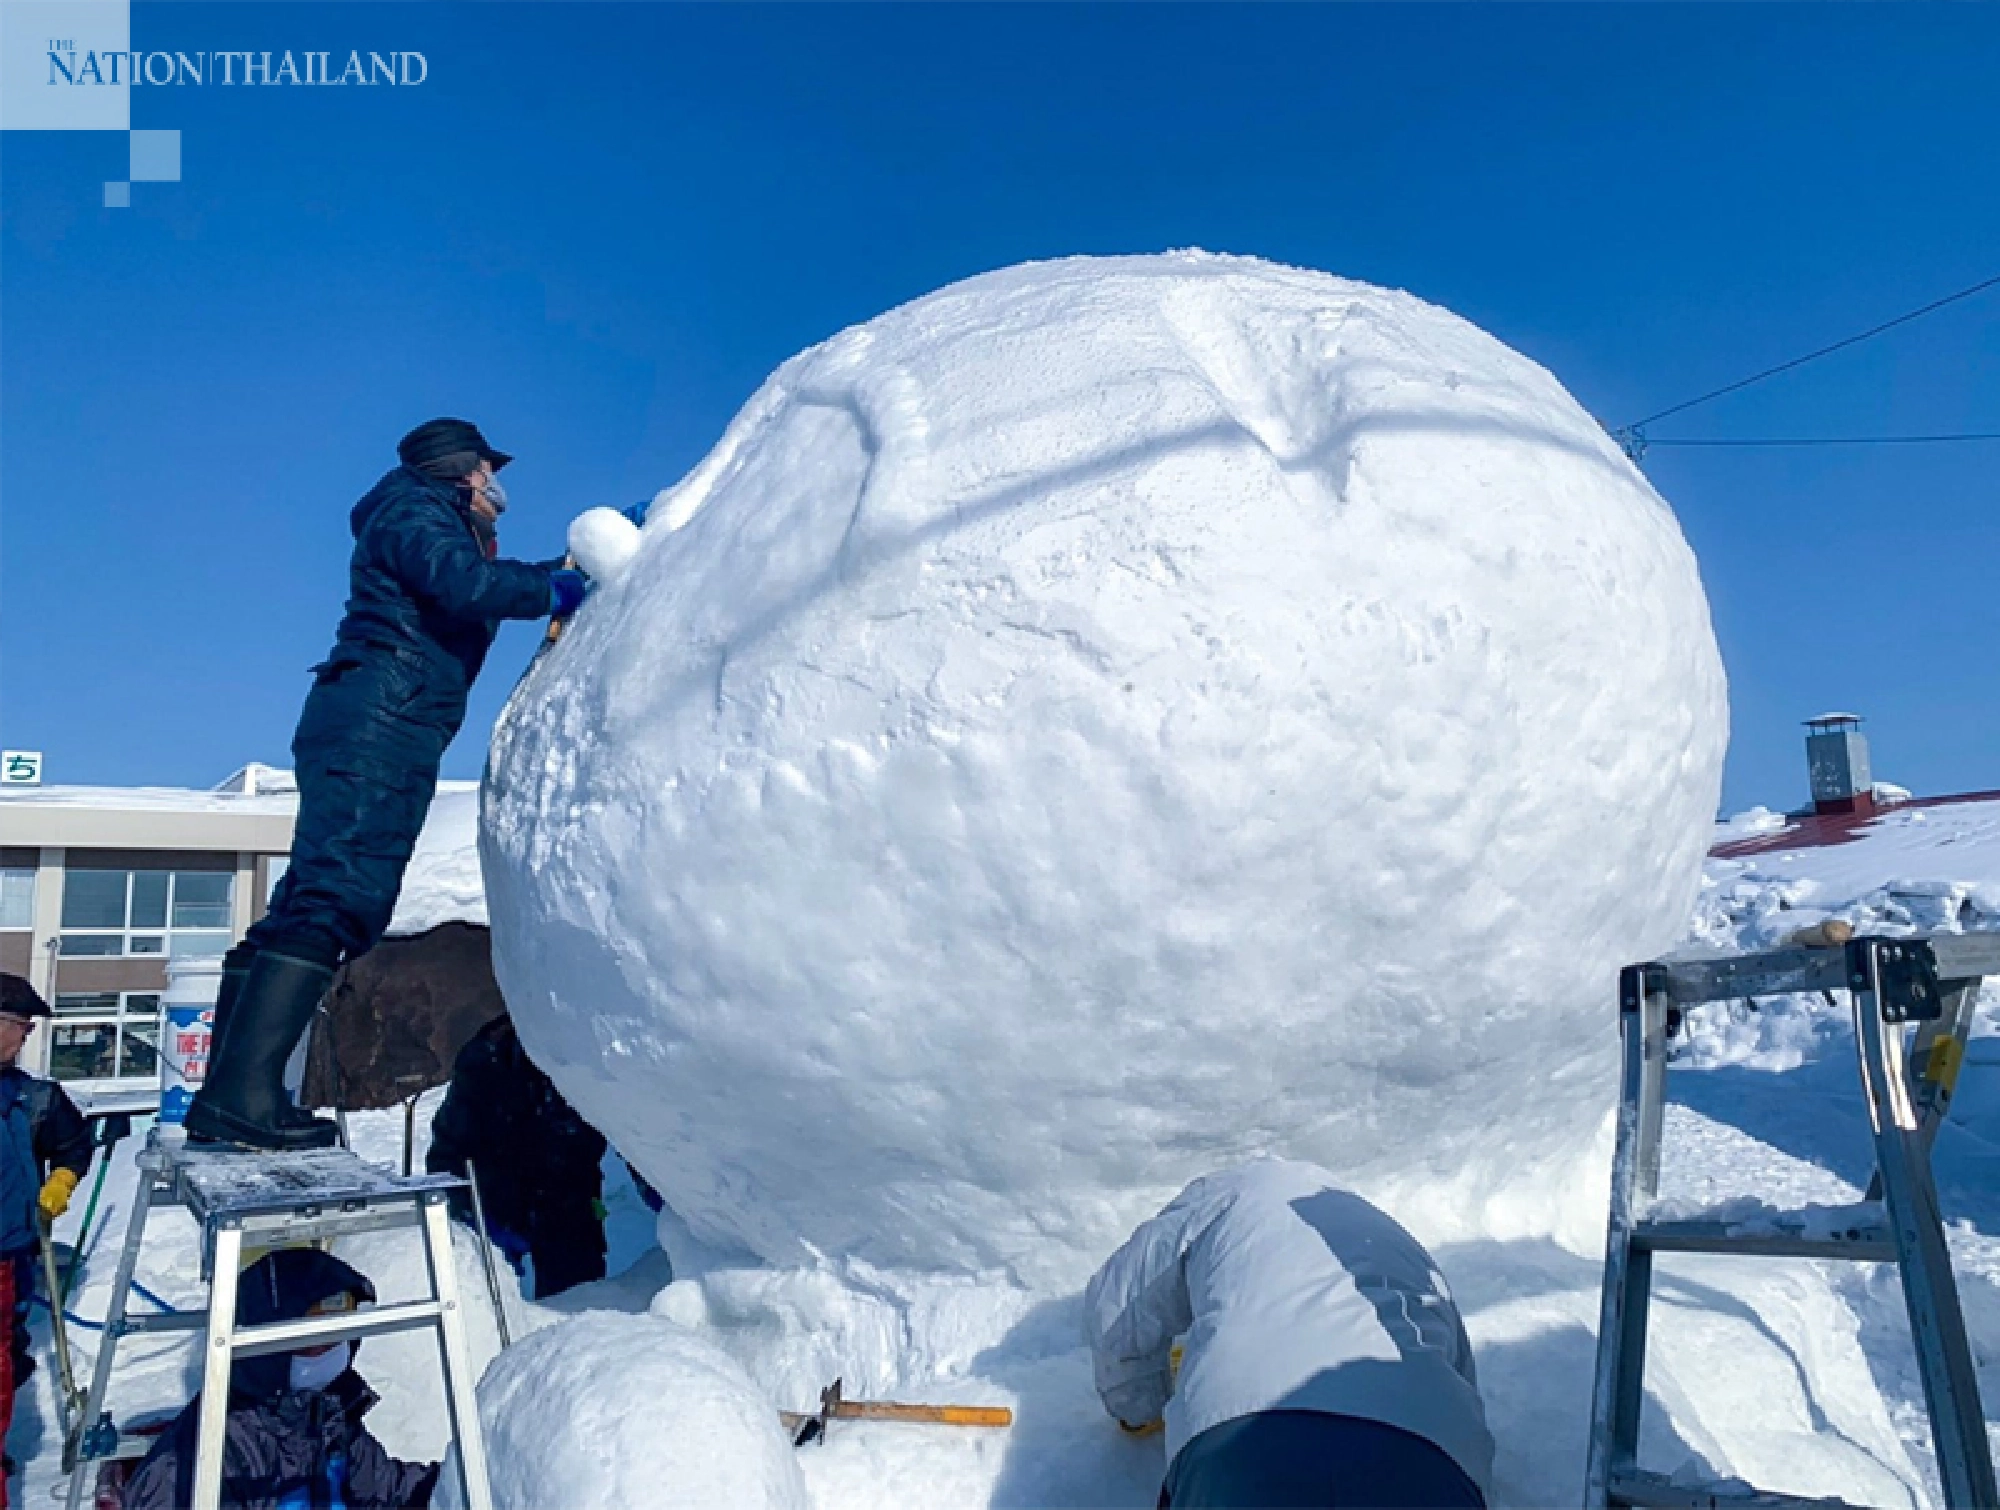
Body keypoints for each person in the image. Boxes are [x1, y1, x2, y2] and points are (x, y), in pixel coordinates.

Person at [187, 419, 590, 1152]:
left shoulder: (416, 514)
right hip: (381, 722)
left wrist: (547, 572)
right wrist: (557, 588)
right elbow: (461, 586)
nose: (496, 485)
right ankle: (241, 1098)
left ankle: (232, 1093)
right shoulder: (414, 510)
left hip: (378, 718)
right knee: (338, 896)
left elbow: (462, 580)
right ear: (463, 469)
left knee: (311, 899)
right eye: (488, 470)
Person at [1083, 1158, 1493, 1509]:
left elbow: (1119, 1311)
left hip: (1243, 1439)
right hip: (1426, 1447)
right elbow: (1454, 1370)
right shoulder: (1386, 1232)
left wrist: (1140, 1407)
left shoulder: (1216, 1201)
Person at [121, 1247, 438, 1510]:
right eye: (313, 1335)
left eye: (339, 1332)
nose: (331, 1348)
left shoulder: (328, 1417)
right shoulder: (211, 1452)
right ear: (269, 1345)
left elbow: (387, 1491)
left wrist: (457, 1482)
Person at [425, 1013, 608, 1299]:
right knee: (486, 1302)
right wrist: (463, 1209)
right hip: (496, 1202)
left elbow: (634, 1132)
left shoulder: (591, 1058)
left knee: (578, 1302)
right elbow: (449, 1147)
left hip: (569, 1204)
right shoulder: (488, 1057)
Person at [0, 976, 94, 1479]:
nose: (26, 1036)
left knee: (7, 1355)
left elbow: (75, 1144)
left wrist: (59, 1181)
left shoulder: (34, 1098)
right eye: (19, 1025)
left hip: (12, 1255)